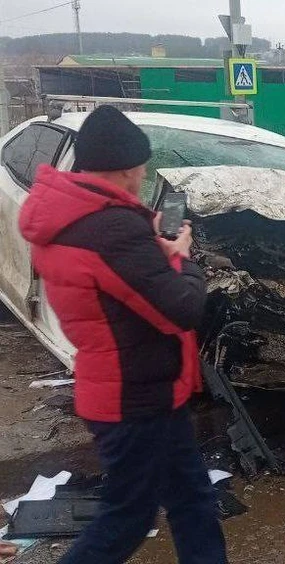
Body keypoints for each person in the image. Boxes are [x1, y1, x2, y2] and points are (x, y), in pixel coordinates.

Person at [17, 105, 226, 564]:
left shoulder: (75, 218)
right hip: (133, 399)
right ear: (131, 169)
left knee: (192, 497)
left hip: (137, 389)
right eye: (143, 167)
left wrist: (148, 247)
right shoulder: (113, 228)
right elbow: (183, 307)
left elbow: (117, 288)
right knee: (127, 517)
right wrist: (180, 257)